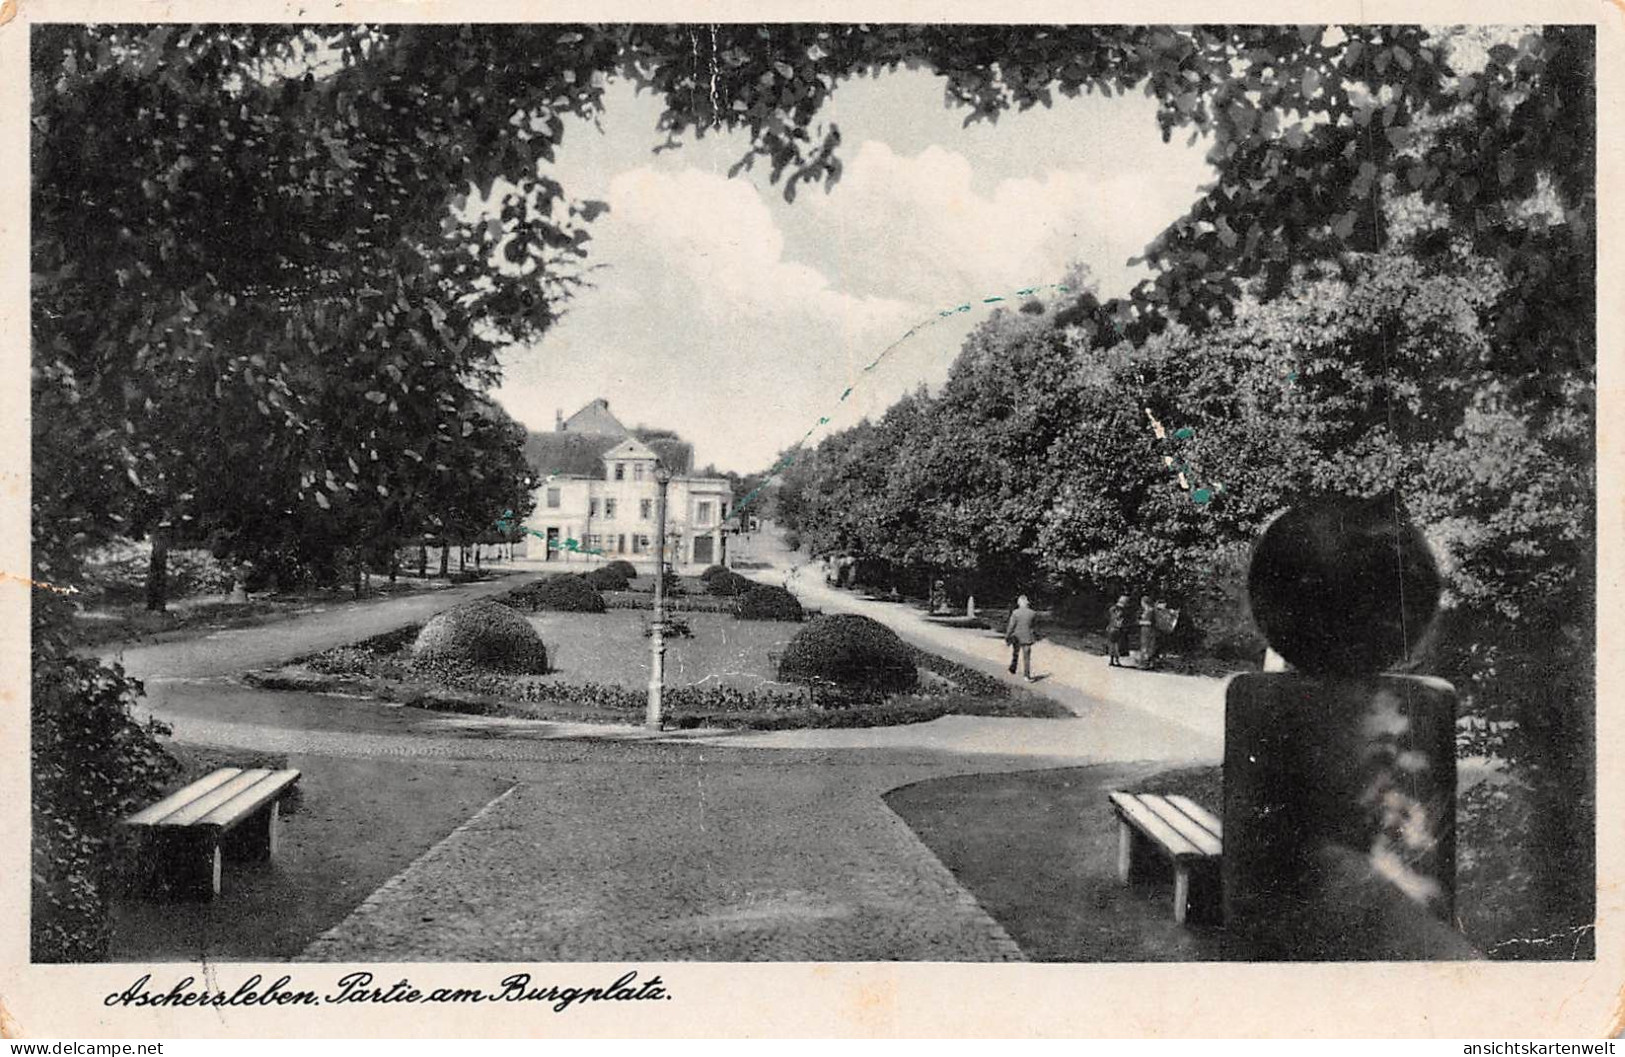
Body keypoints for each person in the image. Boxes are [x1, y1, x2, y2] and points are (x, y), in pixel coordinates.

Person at [1005, 594, 1038, 681]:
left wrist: (1007, 636)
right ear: (1027, 603)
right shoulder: (1033, 613)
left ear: (1019, 603)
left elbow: (1011, 626)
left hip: (1017, 636)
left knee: (1015, 653)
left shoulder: (1015, 613)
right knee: (1026, 657)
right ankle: (1026, 676)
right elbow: (1034, 626)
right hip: (1028, 637)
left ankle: (1013, 669)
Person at [1106, 594, 1129, 667]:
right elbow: (1121, 621)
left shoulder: (1112, 609)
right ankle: (1116, 660)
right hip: (1117, 629)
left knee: (1112, 644)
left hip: (1111, 628)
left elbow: (1110, 618)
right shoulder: (1122, 611)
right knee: (1116, 645)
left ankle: (1112, 660)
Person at [1138, 594, 1159, 670]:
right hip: (1147, 630)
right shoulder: (1148, 610)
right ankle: (1150, 663)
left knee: (1146, 646)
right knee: (1149, 646)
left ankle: (1145, 664)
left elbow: (1150, 622)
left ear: (1144, 602)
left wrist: (1141, 622)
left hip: (1147, 630)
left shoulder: (1149, 611)